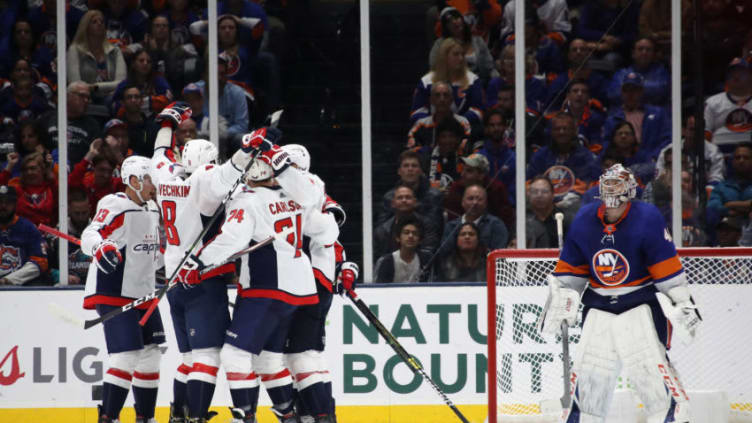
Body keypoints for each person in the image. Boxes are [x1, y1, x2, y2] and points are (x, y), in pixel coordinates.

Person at [175, 134, 338, 423]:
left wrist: (197, 262)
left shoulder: (246, 201)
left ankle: (244, 417)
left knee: (234, 356)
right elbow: (328, 231)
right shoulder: (297, 199)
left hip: (266, 289)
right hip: (301, 291)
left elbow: (231, 240)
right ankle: (290, 415)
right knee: (267, 359)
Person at [542, 164, 700, 423]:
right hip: (599, 305)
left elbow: (666, 267)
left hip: (641, 303)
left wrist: (681, 301)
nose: (612, 194)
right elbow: (572, 268)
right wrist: (564, 296)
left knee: (650, 374)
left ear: (629, 191)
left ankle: (670, 417)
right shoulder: (584, 218)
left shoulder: (647, 217)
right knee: (590, 377)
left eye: (618, 186)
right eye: (608, 186)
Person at [148, 102, 253, 423]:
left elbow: (159, 153)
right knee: (208, 355)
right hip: (201, 277)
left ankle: (178, 414)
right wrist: (247, 151)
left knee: (189, 356)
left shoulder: (164, 174)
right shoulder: (204, 182)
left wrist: (167, 122)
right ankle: (194, 416)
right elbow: (226, 175)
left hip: (174, 278)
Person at [81, 155, 164, 423]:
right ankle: (109, 417)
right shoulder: (115, 204)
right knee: (126, 355)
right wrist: (100, 247)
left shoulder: (152, 209)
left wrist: (177, 262)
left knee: (151, 355)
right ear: (133, 181)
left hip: (144, 293)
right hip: (115, 291)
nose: (155, 185)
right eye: (150, 179)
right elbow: (91, 233)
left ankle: (145, 417)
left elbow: (152, 254)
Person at [281, 143, 358, 423]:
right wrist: (345, 267)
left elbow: (324, 233)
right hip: (316, 282)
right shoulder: (316, 188)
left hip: (306, 284)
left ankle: (320, 416)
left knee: (298, 355)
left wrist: (343, 267)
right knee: (307, 354)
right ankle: (318, 415)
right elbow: (333, 236)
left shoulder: (301, 189)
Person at [527, 111, 600, 199]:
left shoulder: (586, 157)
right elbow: (529, 183)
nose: (561, 132)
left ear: (574, 131)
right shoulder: (540, 156)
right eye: (557, 129)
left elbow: (592, 186)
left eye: (566, 128)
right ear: (551, 132)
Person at [410, 38, 483, 127]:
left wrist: (456, 123)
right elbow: (416, 113)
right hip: (432, 130)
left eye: (462, 54)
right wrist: (435, 122)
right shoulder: (426, 81)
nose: (460, 58)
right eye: (456, 54)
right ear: (444, 56)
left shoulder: (472, 80)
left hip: (464, 130)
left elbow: (478, 111)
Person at [603, 72, 671, 160]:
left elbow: (667, 139)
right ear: (621, 92)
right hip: (621, 161)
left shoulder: (658, 114)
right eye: (626, 90)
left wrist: (655, 156)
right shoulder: (613, 118)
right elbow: (606, 144)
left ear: (642, 91)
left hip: (651, 161)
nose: (630, 94)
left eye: (634, 90)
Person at [67, 9, 127, 101]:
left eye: (102, 22)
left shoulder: (115, 51)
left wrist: (95, 87)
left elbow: (121, 83)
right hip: (83, 98)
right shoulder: (75, 50)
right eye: (94, 22)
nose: (99, 24)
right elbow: (75, 84)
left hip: (110, 98)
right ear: (85, 27)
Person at [428, 7, 498, 85]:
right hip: (451, 85)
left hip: (480, 83)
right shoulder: (439, 44)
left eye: (457, 18)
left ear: (462, 20)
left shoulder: (478, 41)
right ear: (445, 27)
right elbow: (434, 68)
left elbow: (490, 67)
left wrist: (497, 80)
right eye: (449, 21)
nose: (454, 22)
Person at [39, 81, 103, 165]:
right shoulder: (47, 119)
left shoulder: (93, 125)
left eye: (88, 98)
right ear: (67, 96)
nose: (86, 100)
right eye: (82, 96)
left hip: (79, 172)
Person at [444, 152, 513, 228]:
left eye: (469, 171)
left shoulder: (497, 189)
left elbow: (506, 221)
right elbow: (453, 221)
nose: (462, 174)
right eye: (463, 169)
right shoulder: (456, 188)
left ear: (481, 175)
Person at [655, 115, 725, 189]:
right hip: (675, 191)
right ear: (683, 130)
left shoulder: (713, 152)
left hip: (704, 193)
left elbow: (717, 179)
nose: (696, 133)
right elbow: (659, 179)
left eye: (699, 130)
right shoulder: (668, 151)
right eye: (692, 129)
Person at [374, 184, 440, 260]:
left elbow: (428, 253)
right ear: (393, 203)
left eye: (408, 197)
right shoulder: (382, 231)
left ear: (415, 202)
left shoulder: (428, 225)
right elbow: (379, 260)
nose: (404, 200)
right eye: (400, 198)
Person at [439, 183, 508, 256]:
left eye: (479, 199)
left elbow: (498, 256)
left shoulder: (495, 225)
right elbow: (444, 255)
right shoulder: (451, 226)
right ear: (463, 202)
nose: (475, 203)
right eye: (470, 198)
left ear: (485, 203)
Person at [378, 150, 444, 226]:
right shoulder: (389, 197)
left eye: (414, 166)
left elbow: (435, 227)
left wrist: (410, 211)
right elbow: (381, 230)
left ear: (420, 171)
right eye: (406, 166)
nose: (410, 169)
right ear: (399, 171)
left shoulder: (434, 196)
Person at [0, 185, 48, 286]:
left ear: (15, 204)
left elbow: (41, 262)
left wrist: (8, 280)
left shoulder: (28, 228)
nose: (3, 206)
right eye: (0, 201)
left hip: (21, 288)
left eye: (8, 202)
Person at [545, 39, 610, 112]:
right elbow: (550, 109)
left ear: (589, 54)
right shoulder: (559, 82)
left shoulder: (600, 81)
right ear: (569, 55)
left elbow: (608, 105)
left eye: (582, 49)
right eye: (574, 50)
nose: (578, 52)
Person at [704, 57, 752, 153]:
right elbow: (706, 135)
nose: (736, 76)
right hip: (720, 157)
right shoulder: (713, 102)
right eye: (732, 73)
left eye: (741, 72)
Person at [607, 38, 670, 110]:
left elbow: (661, 92)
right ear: (633, 53)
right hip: (625, 114)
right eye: (640, 49)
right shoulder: (622, 73)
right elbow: (613, 94)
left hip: (654, 115)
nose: (644, 52)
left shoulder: (661, 72)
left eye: (648, 50)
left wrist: (629, 88)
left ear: (654, 55)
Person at [46, 188, 93, 285]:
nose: (80, 217)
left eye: (84, 213)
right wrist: (61, 276)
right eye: (77, 213)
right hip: (64, 289)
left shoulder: (100, 234)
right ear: (68, 210)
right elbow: (45, 267)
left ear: (89, 209)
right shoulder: (55, 237)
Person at [406, 81, 471, 150]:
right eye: (437, 95)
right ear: (431, 100)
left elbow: (469, 144)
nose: (442, 99)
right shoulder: (421, 124)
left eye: (445, 95)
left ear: (451, 99)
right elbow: (410, 148)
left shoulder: (462, 123)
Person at [1, 151, 58, 227]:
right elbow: (1, 188)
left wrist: (50, 172)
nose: (29, 172)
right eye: (25, 169)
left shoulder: (51, 188)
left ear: (42, 169)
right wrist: (10, 166)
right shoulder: (17, 188)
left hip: (48, 235)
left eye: (33, 168)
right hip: (21, 235)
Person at [112, 48, 174, 118]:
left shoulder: (159, 81)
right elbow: (116, 107)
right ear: (133, 64)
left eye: (149, 61)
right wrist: (152, 102)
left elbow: (167, 101)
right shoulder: (124, 85)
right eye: (141, 61)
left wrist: (134, 104)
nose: (145, 63)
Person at [474, 109, 516, 202]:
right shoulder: (478, 158)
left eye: (499, 125)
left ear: (505, 127)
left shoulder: (514, 159)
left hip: (508, 209)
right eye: (492, 125)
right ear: (486, 129)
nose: (496, 128)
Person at [554, 79, 606, 153]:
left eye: (584, 92)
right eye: (575, 91)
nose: (579, 94)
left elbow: (597, 146)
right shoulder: (557, 119)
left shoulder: (596, 119)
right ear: (568, 96)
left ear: (588, 97)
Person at [706, 143, 752, 228]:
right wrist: (746, 207)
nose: (741, 161)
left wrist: (730, 204)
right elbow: (713, 206)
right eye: (738, 158)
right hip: (727, 235)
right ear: (732, 161)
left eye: (746, 158)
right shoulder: (721, 188)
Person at [374, 217, 432, 283]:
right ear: (398, 238)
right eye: (406, 233)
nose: (410, 236)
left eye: (415, 233)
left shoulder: (426, 259)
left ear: (420, 240)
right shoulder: (387, 261)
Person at [418, 117, 467, 192]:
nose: (447, 141)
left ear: (458, 139)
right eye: (443, 136)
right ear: (438, 139)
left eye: (451, 136)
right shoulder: (425, 158)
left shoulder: (465, 158)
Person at [524, 176, 572, 248]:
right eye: (534, 191)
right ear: (528, 194)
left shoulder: (564, 219)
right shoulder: (522, 219)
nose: (539, 195)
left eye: (544, 191)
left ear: (553, 194)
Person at [499, 0, 571, 46]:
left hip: (548, 52)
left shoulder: (558, 2)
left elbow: (563, 35)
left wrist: (542, 40)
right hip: (518, 52)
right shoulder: (511, 6)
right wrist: (524, 40)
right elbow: (505, 38)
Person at [116, 84, 160, 156]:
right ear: (122, 103)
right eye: (129, 97)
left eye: (136, 97)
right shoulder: (117, 128)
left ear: (142, 101)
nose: (133, 100)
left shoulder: (153, 128)